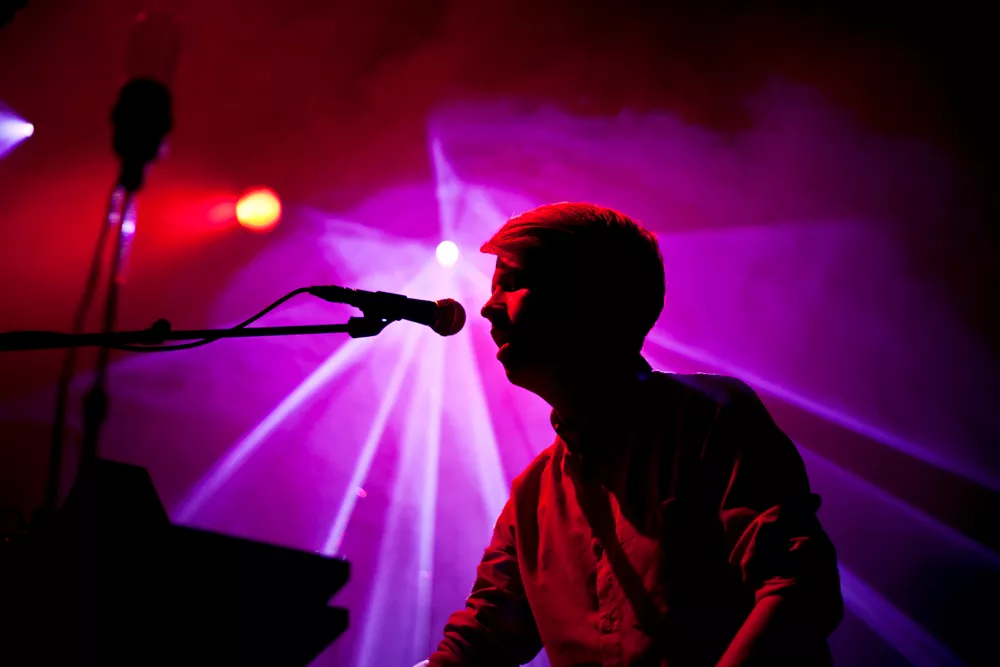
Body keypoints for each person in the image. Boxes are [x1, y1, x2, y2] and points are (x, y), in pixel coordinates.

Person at [422, 203, 843, 667]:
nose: (487, 307)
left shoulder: (708, 421)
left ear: (587, 298)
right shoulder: (532, 497)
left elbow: (798, 589)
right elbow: (478, 642)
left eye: (514, 281)